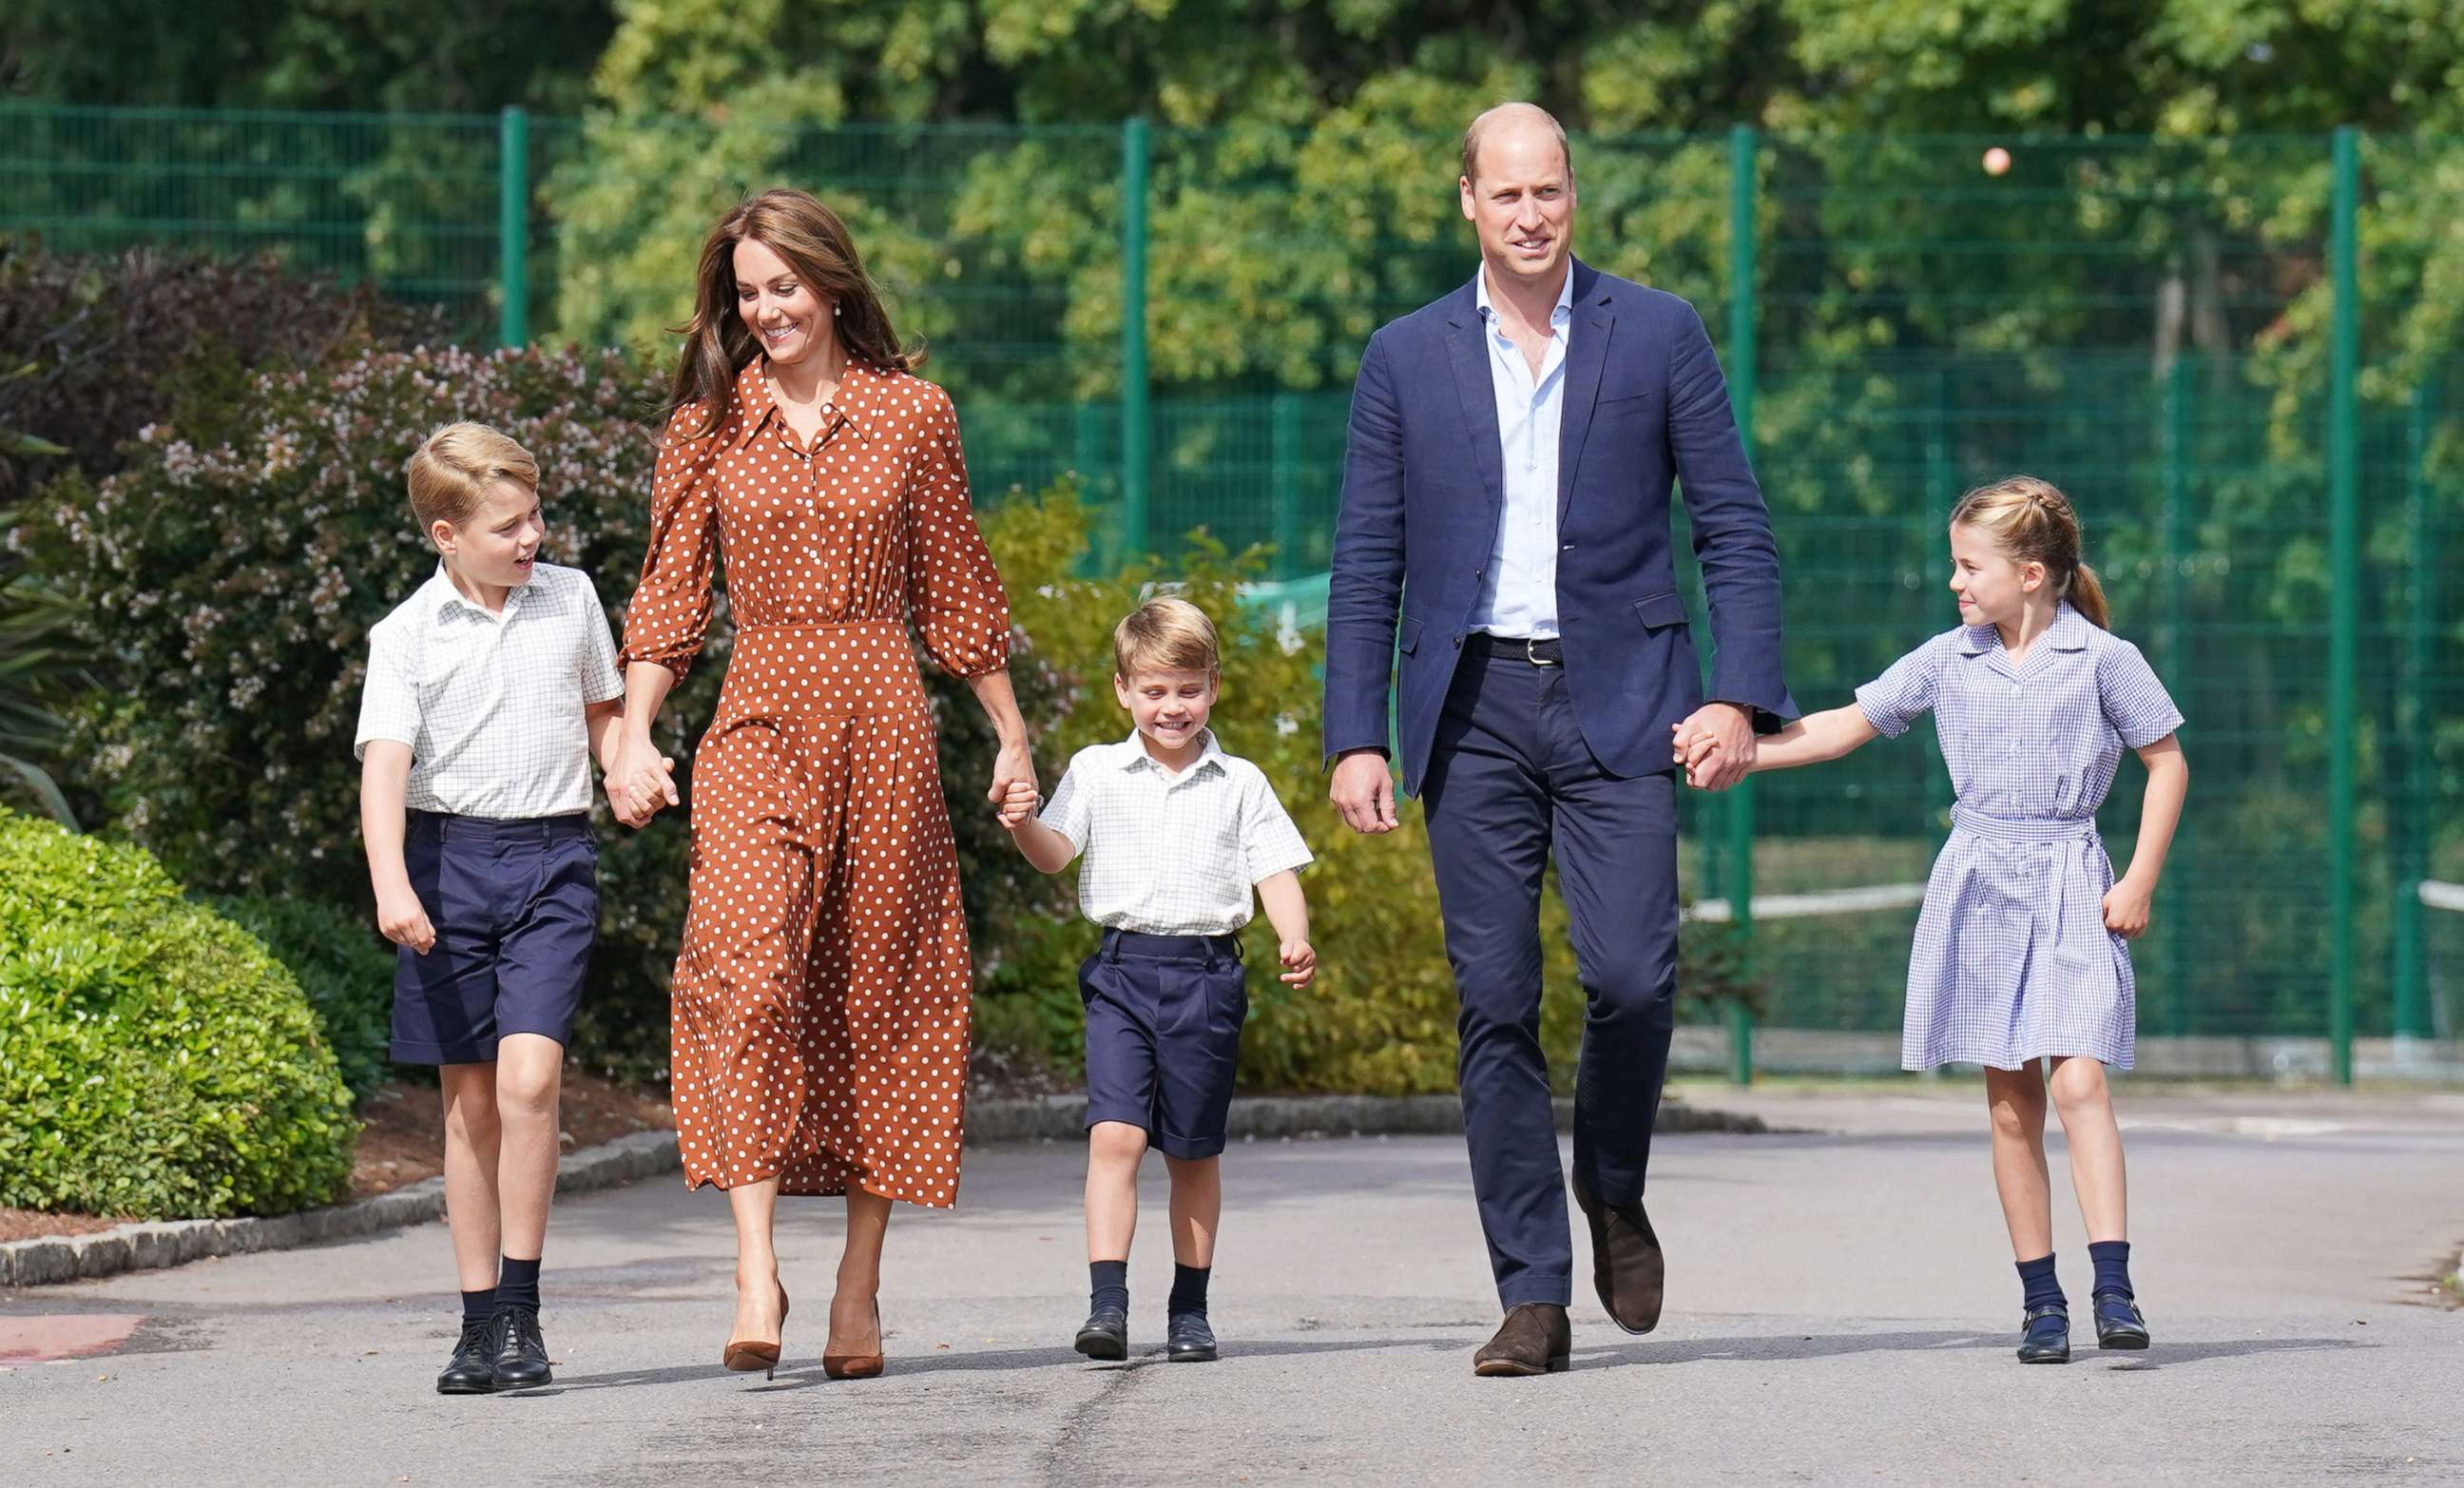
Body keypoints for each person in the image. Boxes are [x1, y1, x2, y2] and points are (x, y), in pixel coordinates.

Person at [1322, 101, 1795, 1377]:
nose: (1532, 215)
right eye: (1508, 194)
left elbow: (1735, 529)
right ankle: (1532, 1291)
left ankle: (1616, 1185)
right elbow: (1367, 557)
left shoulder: (1659, 331)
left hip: (1628, 699)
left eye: (1552, 192)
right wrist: (1352, 736)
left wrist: (1739, 699)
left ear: (1573, 197)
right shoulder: (1405, 356)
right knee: (1495, 1004)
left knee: (1635, 978)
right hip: (1469, 709)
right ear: (1466, 201)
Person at [607, 188, 1035, 1381]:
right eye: (746, 293)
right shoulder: (708, 426)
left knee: (873, 991)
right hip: (757, 718)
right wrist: (636, 734)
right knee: (741, 970)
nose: (766, 310)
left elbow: (956, 586)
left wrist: (1009, 736)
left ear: (832, 284)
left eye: (783, 287)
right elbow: (671, 596)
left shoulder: (914, 415)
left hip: (886, 719)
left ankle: (857, 1287)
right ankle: (756, 1267)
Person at [1678, 474, 2186, 1363]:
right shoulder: (1948, 658)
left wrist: (2138, 876)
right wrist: (1745, 752)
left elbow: (2167, 762)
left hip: (2071, 880)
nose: (1954, 582)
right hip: (1981, 884)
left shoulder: (2106, 660)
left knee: (2079, 1083)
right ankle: (2042, 1303)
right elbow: (1843, 724)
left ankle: (2114, 1285)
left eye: (1967, 565)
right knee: (2009, 1101)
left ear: (2030, 573)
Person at [356, 422, 655, 1394]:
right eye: (507, 526)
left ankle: (522, 1308)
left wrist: (627, 764)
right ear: (445, 533)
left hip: (552, 860)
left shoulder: (569, 597)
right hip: (447, 866)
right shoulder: (406, 634)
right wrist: (392, 881)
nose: (531, 538)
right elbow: (384, 770)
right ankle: (476, 1321)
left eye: (535, 517)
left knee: (530, 1084)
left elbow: (602, 712)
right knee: (470, 1101)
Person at [1001, 597, 1317, 1364]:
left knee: (1191, 1153)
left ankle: (1189, 1309)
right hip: (1122, 972)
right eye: (1154, 690)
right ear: (1122, 690)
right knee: (1114, 1135)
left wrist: (1294, 934)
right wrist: (1021, 822)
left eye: (1187, 688)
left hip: (1207, 976)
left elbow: (1274, 867)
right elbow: (1054, 852)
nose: (1171, 706)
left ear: (1212, 685)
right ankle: (1107, 1303)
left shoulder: (1239, 781)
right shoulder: (1096, 771)